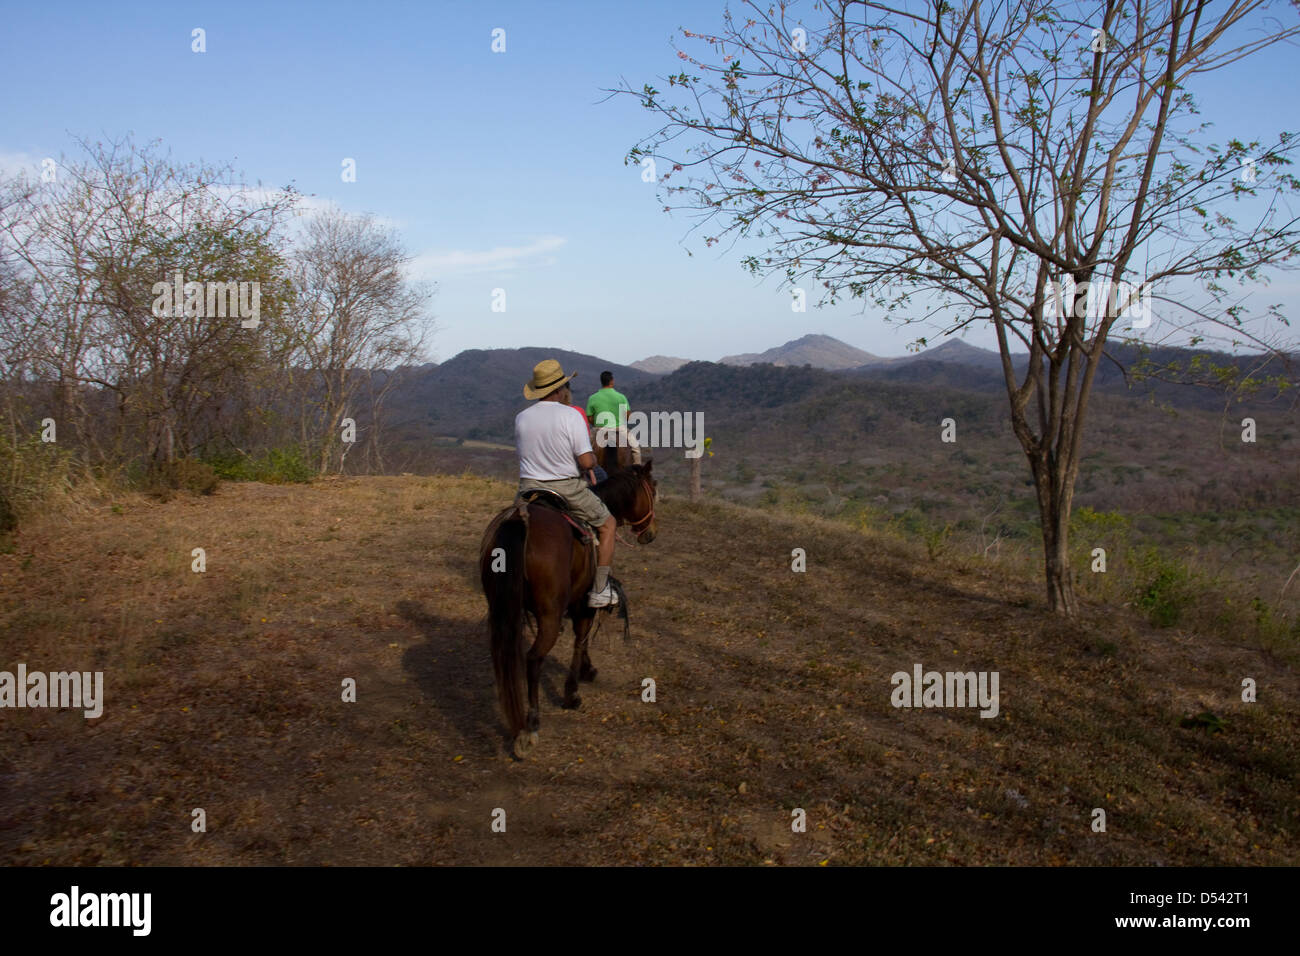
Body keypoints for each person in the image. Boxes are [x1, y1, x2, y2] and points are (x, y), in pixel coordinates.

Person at [515, 359, 619, 608]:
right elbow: (585, 461)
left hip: (527, 488)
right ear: (561, 389)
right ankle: (600, 589)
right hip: (564, 487)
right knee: (608, 525)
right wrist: (592, 458)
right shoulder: (571, 415)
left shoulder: (521, 417)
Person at [586, 371, 642, 466]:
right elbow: (628, 417)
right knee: (636, 448)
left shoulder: (592, 398)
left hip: (600, 429)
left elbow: (590, 418)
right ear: (612, 381)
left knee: (586, 447)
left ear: (601, 382)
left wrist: (597, 424)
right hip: (619, 428)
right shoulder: (621, 397)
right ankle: (637, 470)